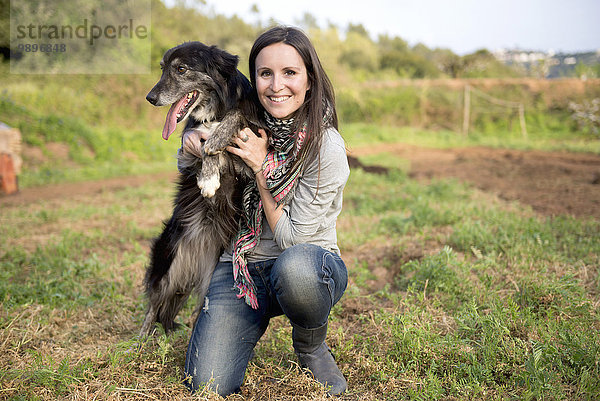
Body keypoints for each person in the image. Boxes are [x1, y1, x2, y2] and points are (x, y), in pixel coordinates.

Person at [181, 26, 350, 397]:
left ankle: (310, 344)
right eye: (265, 73)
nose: (277, 85)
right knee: (207, 383)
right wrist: (191, 141)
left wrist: (260, 168)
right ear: (253, 78)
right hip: (240, 267)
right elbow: (192, 156)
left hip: (306, 264)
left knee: (297, 270)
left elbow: (294, 240)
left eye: (290, 73)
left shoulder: (326, 147)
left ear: (309, 79)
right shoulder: (239, 122)